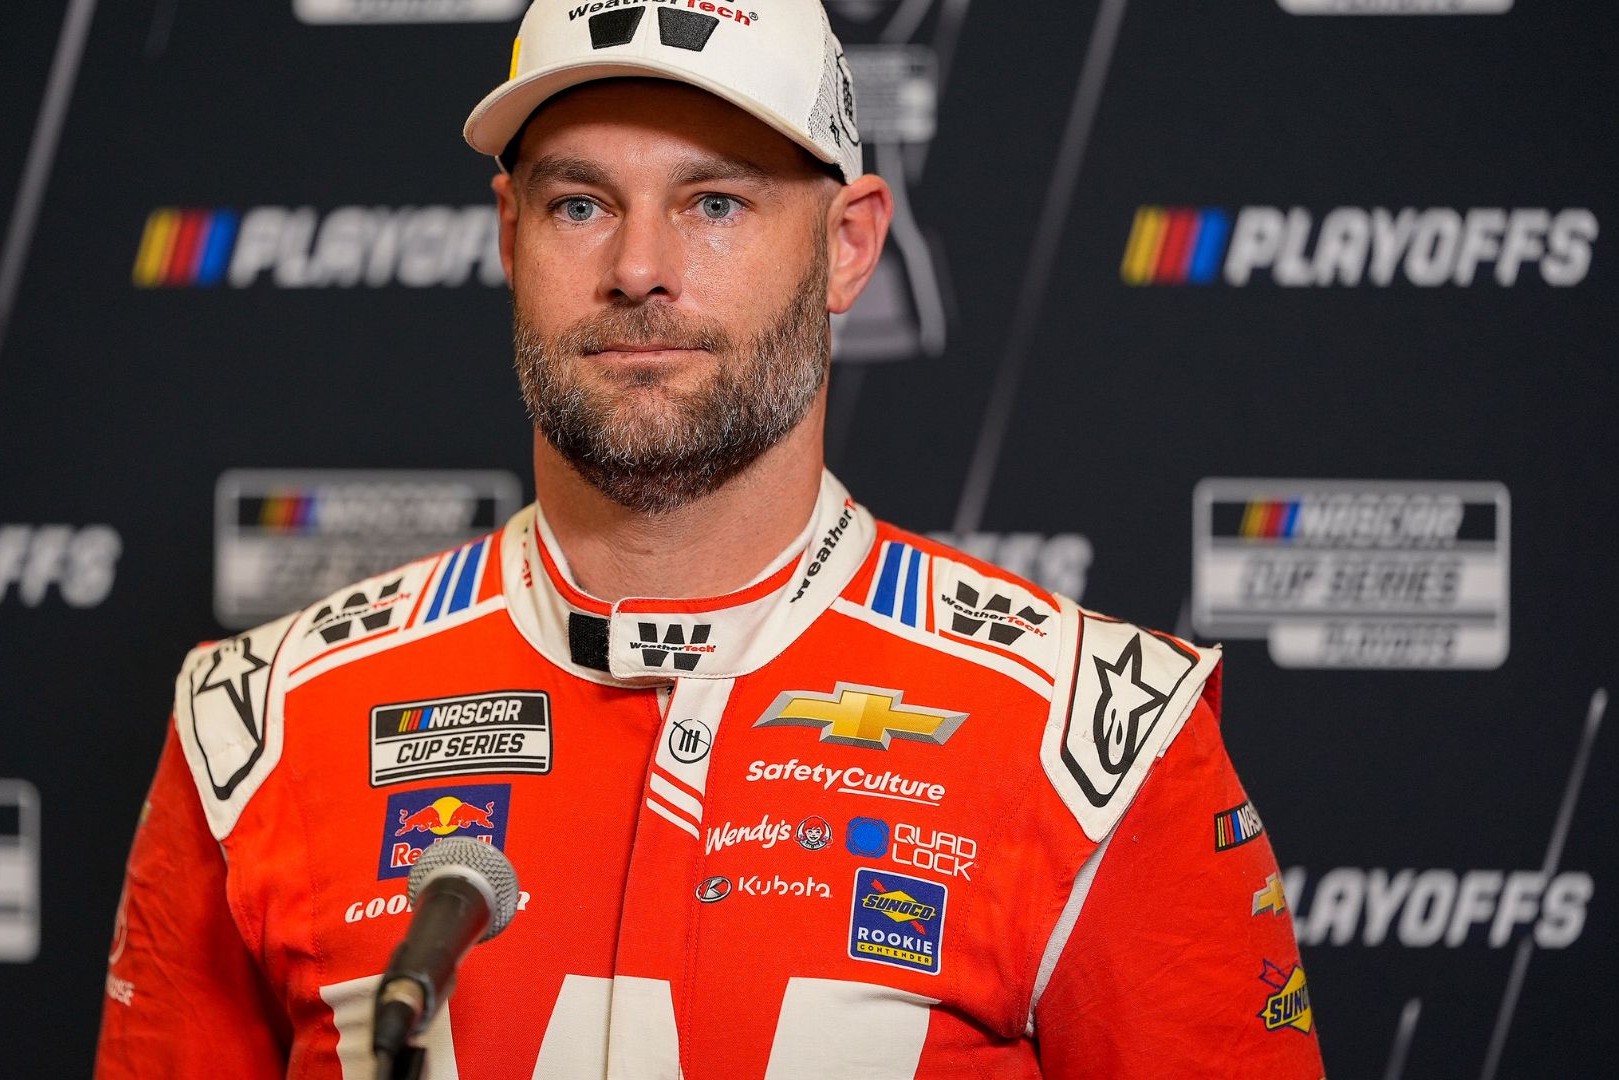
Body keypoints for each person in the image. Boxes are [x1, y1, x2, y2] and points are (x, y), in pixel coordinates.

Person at [95, 0, 1324, 1075]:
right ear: (508, 234)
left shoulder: (1096, 738)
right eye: (581, 203)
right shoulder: (258, 726)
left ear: (848, 246)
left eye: (716, 201)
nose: (639, 267)